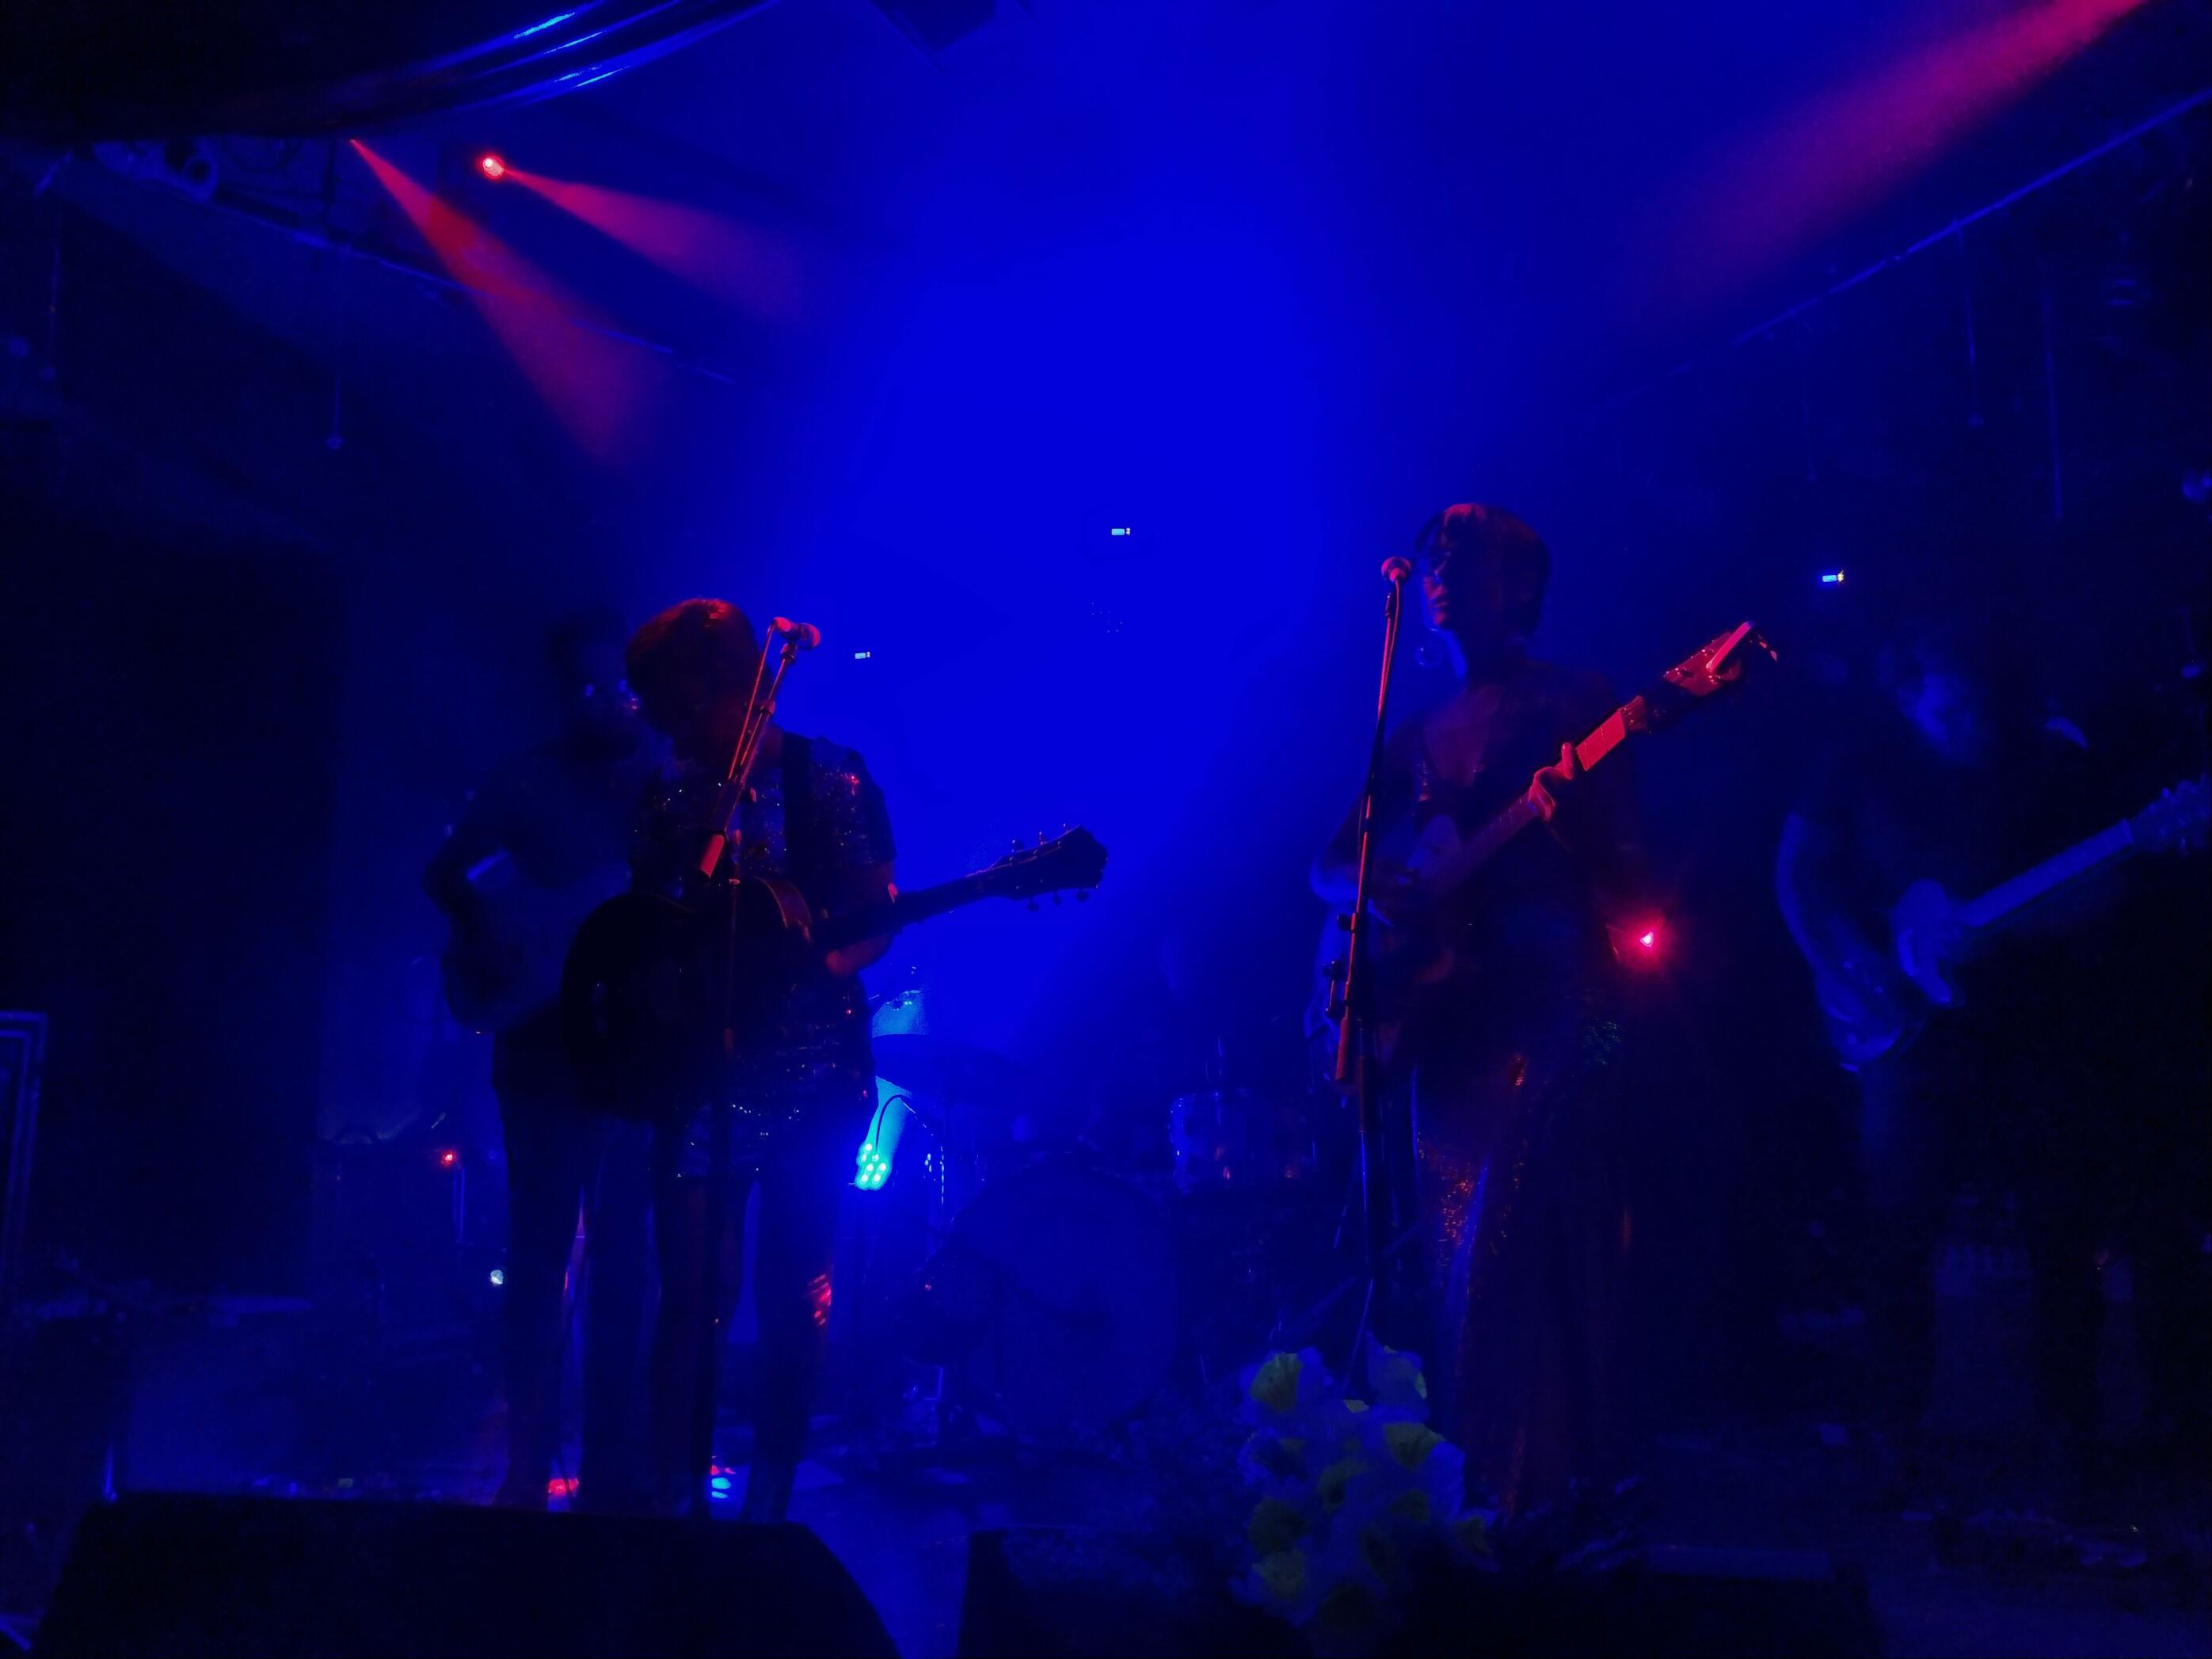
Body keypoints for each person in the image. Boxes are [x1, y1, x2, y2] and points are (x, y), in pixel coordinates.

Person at [1775, 617, 2206, 1508]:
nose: (1971, 721)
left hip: (2029, 1027)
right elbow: (1798, 872)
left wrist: (2001, 933)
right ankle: (1894, 1431)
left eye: (1980, 703)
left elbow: (2105, 888)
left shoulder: (2046, 762)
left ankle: (2069, 1434)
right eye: (1951, 707)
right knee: (1899, 1229)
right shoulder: (1859, 758)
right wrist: (1850, 969)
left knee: (2062, 1228)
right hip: (1905, 1030)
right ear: (1908, 694)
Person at [1312, 503, 1648, 1516]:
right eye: (1434, 559)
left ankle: (1536, 1476)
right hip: (1443, 1009)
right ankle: (1479, 1476)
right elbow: (1326, 865)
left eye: (1466, 558)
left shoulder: (1577, 697)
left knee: (1526, 1223)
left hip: (1551, 989)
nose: (1441, 573)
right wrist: (1377, 892)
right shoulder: (1414, 733)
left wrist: (1565, 819)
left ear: (1521, 586)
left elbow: (1628, 862)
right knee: (1452, 1229)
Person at [622, 598, 897, 1522]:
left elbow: (877, 918)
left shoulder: (832, 777)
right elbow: (643, 928)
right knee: (690, 1289)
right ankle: (675, 1492)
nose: (672, 729)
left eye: (682, 705)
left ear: (736, 688)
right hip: (701, 1074)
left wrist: (805, 963)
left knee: (795, 1286)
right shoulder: (670, 794)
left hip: (817, 1076)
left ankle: (769, 1499)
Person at [422, 610, 661, 1511]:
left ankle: (609, 1468)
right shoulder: (525, 779)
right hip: (539, 1045)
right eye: (590, 687)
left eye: (622, 686)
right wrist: (498, 931)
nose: (608, 702)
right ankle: (527, 1465)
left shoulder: (667, 784)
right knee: (537, 1258)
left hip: (633, 1049)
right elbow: (447, 871)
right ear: (567, 693)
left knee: (624, 1263)